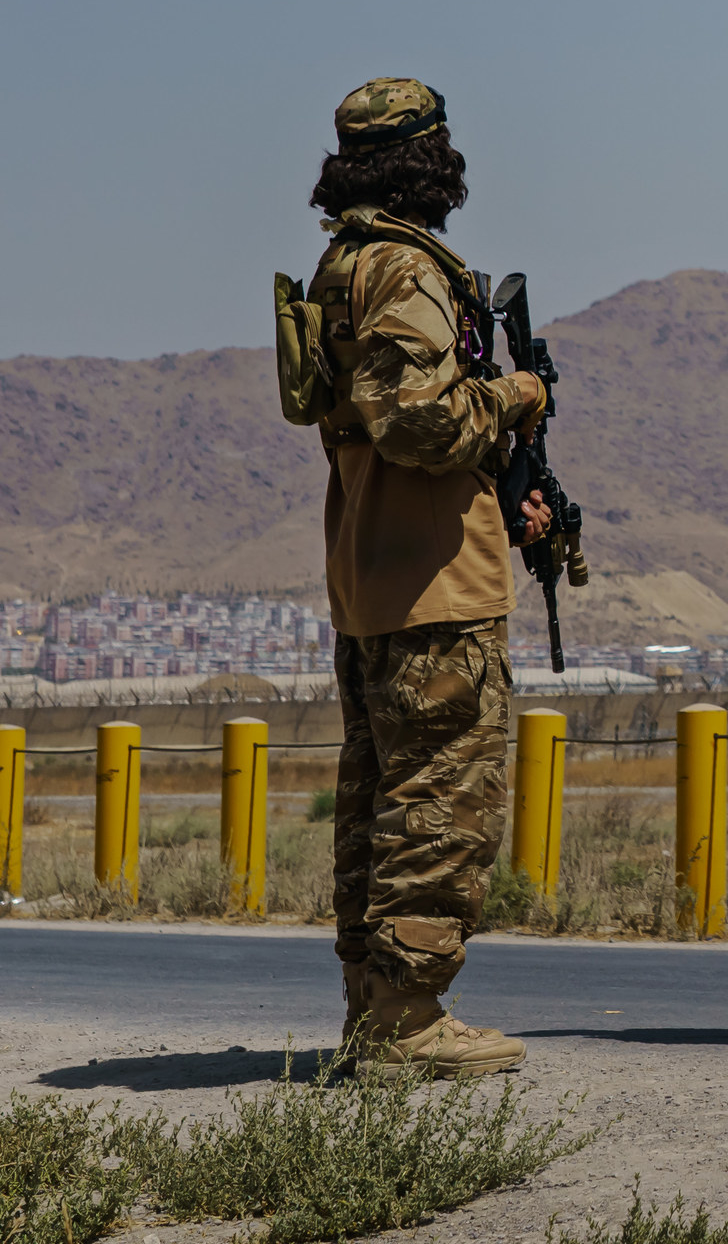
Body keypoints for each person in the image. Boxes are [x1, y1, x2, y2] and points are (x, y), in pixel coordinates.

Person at [296, 79, 551, 1075]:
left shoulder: (348, 260)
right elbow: (423, 419)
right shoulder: (401, 264)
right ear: (425, 157)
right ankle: (406, 1020)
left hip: (372, 578)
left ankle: (375, 1012)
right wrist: (518, 394)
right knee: (441, 803)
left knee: (382, 802)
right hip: (434, 587)